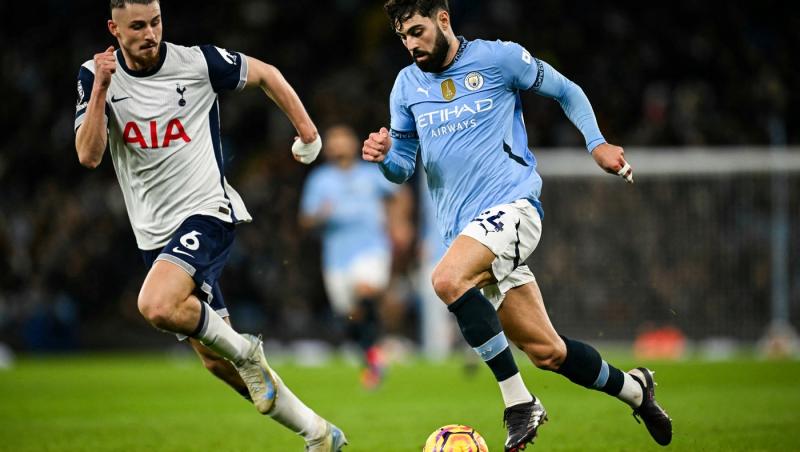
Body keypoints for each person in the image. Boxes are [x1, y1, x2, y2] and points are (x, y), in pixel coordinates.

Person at [362, 1, 672, 451]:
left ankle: (518, 403)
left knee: (447, 279)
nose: (411, 45)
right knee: (548, 353)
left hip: (514, 209)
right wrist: (384, 156)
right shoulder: (406, 86)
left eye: (417, 31)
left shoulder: (499, 58)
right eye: (403, 37)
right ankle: (635, 390)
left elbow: (566, 90)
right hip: (466, 234)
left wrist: (597, 143)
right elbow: (403, 167)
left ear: (443, 20)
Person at [74, 1, 347, 450]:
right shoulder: (94, 75)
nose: (150, 33)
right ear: (114, 29)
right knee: (217, 364)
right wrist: (102, 86)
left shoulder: (197, 62)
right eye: (138, 26)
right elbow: (88, 155)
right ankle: (319, 433)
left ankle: (246, 350)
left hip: (208, 211)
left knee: (156, 305)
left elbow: (267, 74)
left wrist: (309, 133)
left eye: (156, 22)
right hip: (154, 234)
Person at [299, 124, 412, 389]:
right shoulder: (320, 179)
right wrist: (319, 217)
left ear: (353, 144)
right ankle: (373, 357)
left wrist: (400, 224)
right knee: (351, 315)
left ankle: (375, 358)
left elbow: (400, 194)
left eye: (343, 139)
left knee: (366, 290)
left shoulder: (370, 173)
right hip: (336, 256)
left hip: (371, 246)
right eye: (334, 140)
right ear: (328, 148)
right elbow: (304, 220)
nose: (339, 145)